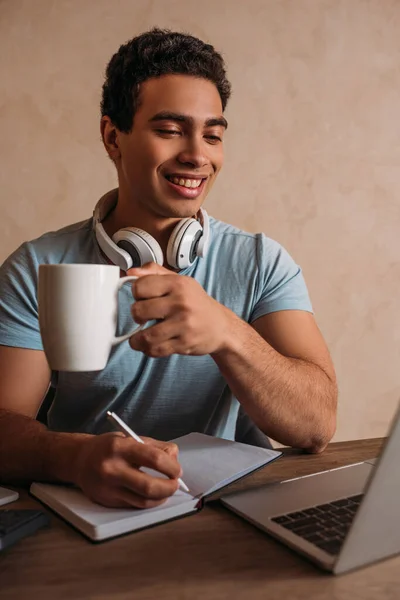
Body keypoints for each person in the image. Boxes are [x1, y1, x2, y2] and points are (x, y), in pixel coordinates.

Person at [0, 28, 337, 509]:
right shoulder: (36, 266)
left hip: (230, 518)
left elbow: (316, 426)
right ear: (113, 137)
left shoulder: (262, 261)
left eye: (213, 135)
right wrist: (73, 458)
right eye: (170, 130)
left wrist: (226, 332)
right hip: (91, 516)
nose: (198, 155)